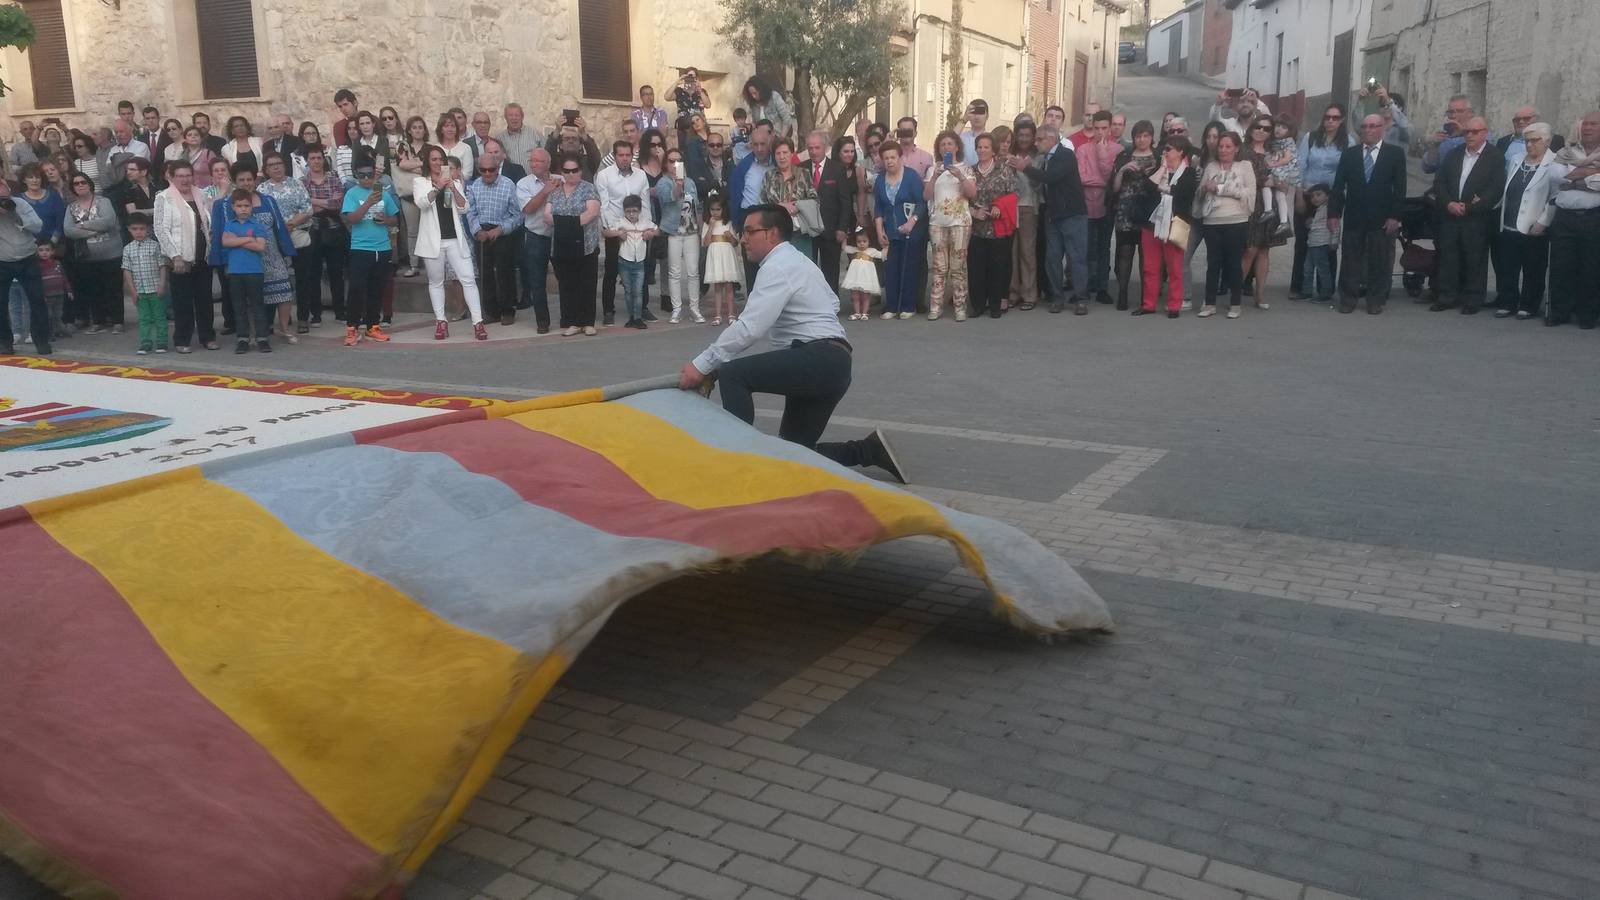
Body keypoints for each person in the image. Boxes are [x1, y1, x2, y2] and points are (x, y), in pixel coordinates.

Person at [678, 203, 904, 481]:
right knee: (793, 454)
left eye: (750, 231)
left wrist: (702, 365)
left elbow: (749, 328)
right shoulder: (798, 261)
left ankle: (738, 460)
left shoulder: (778, 267)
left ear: (772, 234)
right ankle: (867, 451)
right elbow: (831, 303)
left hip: (819, 358)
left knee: (732, 374)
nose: (744, 239)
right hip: (835, 361)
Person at [1327, 114, 1408, 315]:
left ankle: (1376, 299)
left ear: (1382, 128)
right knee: (1350, 259)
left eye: (1373, 126)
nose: (1368, 130)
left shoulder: (1394, 154)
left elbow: (1400, 188)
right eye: (1364, 126)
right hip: (1355, 215)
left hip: (1382, 217)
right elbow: (1338, 186)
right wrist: (1334, 213)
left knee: (1379, 259)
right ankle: (1348, 298)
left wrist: (1395, 216)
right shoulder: (1350, 154)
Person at [1429, 117, 1505, 315]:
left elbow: (1495, 189)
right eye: (1467, 132)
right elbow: (1440, 182)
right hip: (1451, 213)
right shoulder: (1454, 154)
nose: (1469, 135)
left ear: (1485, 133)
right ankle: (1447, 296)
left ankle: (1473, 298)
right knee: (1448, 257)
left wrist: (1470, 207)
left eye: (1474, 132)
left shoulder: (1495, 156)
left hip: (1476, 218)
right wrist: (1448, 203)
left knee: (1475, 258)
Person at [413, 145, 486, 341]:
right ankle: (440, 321)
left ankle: (478, 322)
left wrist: (453, 187)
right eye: (434, 159)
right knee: (436, 281)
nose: (438, 163)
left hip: (454, 239)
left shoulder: (454, 182)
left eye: (441, 160)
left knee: (468, 278)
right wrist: (437, 187)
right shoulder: (420, 182)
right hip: (432, 241)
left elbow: (464, 208)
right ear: (428, 162)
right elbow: (421, 203)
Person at [1016, 122, 1088, 315]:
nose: (1035, 142)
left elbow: (1050, 177)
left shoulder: (1065, 155)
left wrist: (1025, 168)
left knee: (1076, 257)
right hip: (1053, 215)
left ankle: (1080, 298)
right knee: (1052, 258)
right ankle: (1057, 297)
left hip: (1072, 214)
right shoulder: (1044, 157)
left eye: (1039, 139)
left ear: (1051, 139)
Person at [1492, 122, 1558, 320]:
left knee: (1533, 268)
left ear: (1547, 141)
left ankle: (1529, 305)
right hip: (1509, 222)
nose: (1529, 145)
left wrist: (1543, 222)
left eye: (1534, 140)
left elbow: (1554, 197)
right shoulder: (1515, 159)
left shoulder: (1554, 163)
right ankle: (1507, 301)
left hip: (1534, 225)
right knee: (1507, 267)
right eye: (1527, 140)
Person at [1545, 111, 1600, 329]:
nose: (1587, 128)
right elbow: (1555, 176)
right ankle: (1559, 312)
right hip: (1564, 218)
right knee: (1560, 266)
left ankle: (1588, 314)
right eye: (1585, 124)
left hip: (1593, 218)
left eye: (1593, 124)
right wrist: (1589, 173)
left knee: (1591, 268)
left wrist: (1574, 177)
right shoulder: (1566, 151)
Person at [154, 159, 215, 352]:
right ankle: (182, 339)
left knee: (205, 300)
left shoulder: (201, 194)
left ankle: (208, 337)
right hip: (180, 259)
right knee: (183, 302)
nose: (185, 179)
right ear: (171, 177)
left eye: (188, 175)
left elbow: (208, 222)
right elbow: (161, 230)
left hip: (202, 256)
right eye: (180, 176)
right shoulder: (164, 198)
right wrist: (175, 256)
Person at [1291, 103, 1351, 300]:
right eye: (1327, 117)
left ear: (1342, 120)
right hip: (1308, 195)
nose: (1330, 121)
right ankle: (1300, 287)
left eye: (1335, 118)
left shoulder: (1347, 142)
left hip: (1331, 199)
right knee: (1303, 242)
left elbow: (1348, 172)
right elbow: (1299, 167)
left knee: (1327, 244)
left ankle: (1326, 289)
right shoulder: (1311, 139)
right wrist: (1299, 195)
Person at [340, 154, 399, 344]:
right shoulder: (352, 194)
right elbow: (351, 219)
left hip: (382, 248)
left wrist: (386, 219)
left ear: (375, 174)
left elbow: (395, 219)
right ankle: (352, 328)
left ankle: (373, 326)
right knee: (356, 289)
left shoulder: (385, 193)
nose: (366, 179)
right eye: (362, 175)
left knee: (377, 289)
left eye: (370, 174)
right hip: (360, 248)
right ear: (356, 175)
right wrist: (368, 203)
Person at [1195, 132, 1256, 319]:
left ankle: (1235, 303)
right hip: (1212, 221)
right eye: (1221, 146)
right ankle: (1210, 302)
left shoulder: (1245, 167)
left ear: (1236, 148)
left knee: (1233, 263)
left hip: (1236, 220)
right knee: (1213, 263)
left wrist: (1223, 189)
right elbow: (1199, 194)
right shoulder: (1211, 166)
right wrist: (1206, 187)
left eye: (1228, 146)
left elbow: (1250, 192)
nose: (1223, 150)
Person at [1138, 137, 1197, 318]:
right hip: (1152, 224)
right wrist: (1163, 168)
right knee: (1150, 266)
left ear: (1180, 151)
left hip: (1175, 224)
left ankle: (1174, 305)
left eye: (1169, 149)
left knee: (1174, 267)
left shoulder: (1188, 173)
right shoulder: (1158, 169)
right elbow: (1147, 187)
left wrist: (1164, 189)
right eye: (1164, 149)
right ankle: (1149, 304)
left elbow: (1183, 195)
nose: (1165, 152)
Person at [545, 152, 602, 336]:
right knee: (567, 284)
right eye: (567, 171)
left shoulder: (588, 188)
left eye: (574, 170)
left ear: (580, 170)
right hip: (562, 244)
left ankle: (587, 321)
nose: (571, 174)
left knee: (586, 282)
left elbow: (592, 212)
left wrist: (565, 223)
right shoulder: (555, 190)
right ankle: (571, 321)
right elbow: (547, 215)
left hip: (586, 243)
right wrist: (571, 223)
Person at [465, 150, 525, 326]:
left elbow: (518, 214)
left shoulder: (508, 185)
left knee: (504, 272)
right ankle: (491, 311)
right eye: (483, 170)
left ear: (497, 169)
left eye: (491, 170)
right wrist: (477, 230)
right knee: (485, 273)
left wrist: (501, 229)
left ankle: (508, 310)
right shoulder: (475, 185)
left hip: (502, 231)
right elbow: (471, 211)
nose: (487, 173)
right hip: (482, 231)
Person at [596, 138, 650, 327]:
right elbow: (604, 204)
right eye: (621, 155)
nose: (625, 159)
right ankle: (608, 310)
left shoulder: (641, 175)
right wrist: (612, 229)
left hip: (637, 228)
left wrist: (648, 227)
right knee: (611, 271)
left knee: (640, 267)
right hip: (615, 228)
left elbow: (645, 203)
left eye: (628, 155)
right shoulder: (604, 176)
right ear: (615, 156)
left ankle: (641, 309)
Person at [257, 153, 311, 340]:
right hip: (272, 240)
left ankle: (303, 318)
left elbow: (306, 209)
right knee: (273, 280)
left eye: (279, 163)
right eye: (271, 165)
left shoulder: (296, 184)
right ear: (266, 169)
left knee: (303, 279)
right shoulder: (262, 189)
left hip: (296, 234)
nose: (276, 167)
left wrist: (289, 225)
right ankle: (271, 321)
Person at [923, 130, 975, 320]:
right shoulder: (932, 169)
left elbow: (972, 193)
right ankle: (935, 306)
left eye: (950, 144)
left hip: (960, 223)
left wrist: (960, 176)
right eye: (943, 144)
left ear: (957, 147)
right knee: (939, 266)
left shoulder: (966, 168)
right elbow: (926, 196)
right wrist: (935, 176)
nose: (946, 147)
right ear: (938, 148)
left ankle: (960, 307)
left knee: (958, 266)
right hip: (937, 222)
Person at [63, 172, 124, 332]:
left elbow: (108, 221)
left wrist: (83, 225)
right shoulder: (71, 207)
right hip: (87, 257)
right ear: (73, 188)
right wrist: (94, 231)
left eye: (83, 182)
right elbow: (68, 230)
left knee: (113, 289)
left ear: (89, 184)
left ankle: (118, 321)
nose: (80, 185)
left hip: (111, 253)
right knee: (93, 289)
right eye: (76, 183)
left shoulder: (104, 201)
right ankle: (98, 320)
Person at [874, 143, 927, 320]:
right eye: (886, 158)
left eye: (893, 157)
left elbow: (921, 202)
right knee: (891, 269)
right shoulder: (880, 179)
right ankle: (891, 306)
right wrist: (879, 230)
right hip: (891, 232)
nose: (889, 161)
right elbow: (879, 207)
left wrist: (912, 222)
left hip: (912, 231)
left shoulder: (911, 177)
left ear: (900, 158)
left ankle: (908, 305)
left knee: (909, 268)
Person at [1110, 121, 1159, 311]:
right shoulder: (1124, 156)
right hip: (1126, 209)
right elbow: (1114, 188)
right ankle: (1122, 294)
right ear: (1133, 138)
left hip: (1148, 209)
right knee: (1125, 252)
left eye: (1146, 136)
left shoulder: (1158, 157)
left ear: (1152, 137)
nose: (1142, 140)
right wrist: (1122, 170)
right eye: (1138, 136)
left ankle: (1145, 297)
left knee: (1146, 255)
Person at [968, 133, 1018, 320]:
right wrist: (974, 212)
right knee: (976, 269)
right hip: (976, 228)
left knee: (998, 267)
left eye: (986, 147)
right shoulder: (970, 171)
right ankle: (978, 305)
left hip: (998, 227)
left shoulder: (1003, 170)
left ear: (993, 150)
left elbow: (1013, 194)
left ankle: (995, 304)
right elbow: (962, 198)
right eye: (979, 147)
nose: (982, 150)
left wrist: (999, 206)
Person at [1240, 114, 1287, 309]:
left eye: (1267, 129)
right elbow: (1240, 176)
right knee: (1249, 250)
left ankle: (1260, 295)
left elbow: (1287, 170)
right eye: (1258, 127)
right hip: (1251, 203)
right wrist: (1263, 181)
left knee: (1264, 251)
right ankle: (1236, 292)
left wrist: (1282, 182)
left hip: (1269, 204)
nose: (1261, 131)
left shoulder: (1274, 151)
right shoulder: (1242, 151)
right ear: (1251, 128)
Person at [0, 179, 52, 355]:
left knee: (37, 299)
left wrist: (16, 213)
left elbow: (38, 226)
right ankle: (4, 342)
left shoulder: (20, 203)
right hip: (2, 261)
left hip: (27, 258)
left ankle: (41, 340)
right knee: (1, 303)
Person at [219, 188, 271, 353]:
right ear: (233, 207)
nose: (243, 209)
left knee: (258, 306)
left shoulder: (257, 225)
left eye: (246, 205)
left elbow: (260, 246)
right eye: (239, 205)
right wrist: (249, 239)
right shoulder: (230, 224)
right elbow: (225, 242)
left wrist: (238, 240)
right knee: (239, 307)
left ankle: (262, 338)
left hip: (255, 271)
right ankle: (243, 339)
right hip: (235, 272)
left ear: (251, 207)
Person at [300, 144, 346, 326]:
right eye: (312, 158)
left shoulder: (333, 178)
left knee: (337, 272)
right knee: (313, 273)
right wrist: (323, 204)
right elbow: (304, 207)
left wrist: (313, 201)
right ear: (307, 161)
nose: (316, 161)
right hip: (312, 229)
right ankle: (315, 313)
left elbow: (337, 204)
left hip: (334, 229)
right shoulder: (302, 182)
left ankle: (340, 311)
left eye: (319, 158)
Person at [657, 147, 703, 323]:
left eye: (678, 161)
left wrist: (699, 230)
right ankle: (676, 309)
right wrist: (678, 184)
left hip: (691, 231)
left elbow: (697, 207)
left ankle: (694, 308)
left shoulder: (690, 182)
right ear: (666, 164)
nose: (675, 164)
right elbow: (669, 198)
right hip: (674, 232)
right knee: (674, 272)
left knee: (693, 272)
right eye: (671, 161)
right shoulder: (663, 182)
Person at [1078, 111, 1120, 306]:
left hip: (1106, 207)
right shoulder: (1083, 150)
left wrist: (1103, 154)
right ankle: (1084, 287)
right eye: (1097, 128)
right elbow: (1081, 178)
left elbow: (1111, 178)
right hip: (1086, 206)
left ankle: (1102, 288)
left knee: (1104, 248)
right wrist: (1102, 182)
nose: (1100, 132)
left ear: (1110, 128)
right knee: (1085, 249)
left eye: (1104, 128)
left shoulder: (1117, 150)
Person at [516, 147, 557, 333]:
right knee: (537, 282)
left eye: (538, 161)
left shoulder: (560, 180)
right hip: (535, 236)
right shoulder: (523, 184)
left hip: (558, 236)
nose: (533, 164)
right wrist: (545, 191)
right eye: (531, 160)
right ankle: (543, 322)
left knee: (565, 279)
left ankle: (570, 318)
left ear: (548, 163)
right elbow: (528, 209)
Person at [760, 137, 819, 260]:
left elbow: (815, 201)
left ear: (792, 154)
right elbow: (762, 205)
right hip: (775, 235)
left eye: (785, 152)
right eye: (778, 153)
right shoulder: (768, 176)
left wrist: (797, 205)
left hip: (800, 234)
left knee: (801, 272)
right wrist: (781, 206)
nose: (782, 157)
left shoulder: (804, 173)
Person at [606, 194, 657, 329]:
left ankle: (638, 317)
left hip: (639, 262)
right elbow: (606, 232)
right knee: (628, 291)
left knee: (638, 291)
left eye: (634, 211)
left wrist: (650, 234)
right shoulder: (621, 222)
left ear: (640, 211)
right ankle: (631, 317)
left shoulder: (645, 222)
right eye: (628, 211)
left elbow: (658, 230)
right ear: (624, 211)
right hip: (624, 262)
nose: (631, 214)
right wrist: (618, 234)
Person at [120, 211, 167, 354]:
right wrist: (132, 291)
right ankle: (145, 343)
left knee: (159, 317)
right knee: (144, 318)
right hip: (140, 290)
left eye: (142, 229)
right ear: (129, 229)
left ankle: (162, 342)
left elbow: (162, 266)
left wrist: (162, 285)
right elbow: (127, 271)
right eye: (135, 229)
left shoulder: (155, 246)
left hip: (155, 288)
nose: (138, 232)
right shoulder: (128, 249)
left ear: (148, 229)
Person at [1007, 117, 1041, 311]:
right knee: (1011, 251)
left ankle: (1029, 294)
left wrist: (1026, 168)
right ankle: (1013, 292)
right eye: (1020, 135)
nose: (1024, 138)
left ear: (1033, 137)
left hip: (1029, 206)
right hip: (1010, 208)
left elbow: (1039, 185)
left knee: (1027, 251)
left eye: (1028, 135)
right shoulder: (1009, 155)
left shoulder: (1038, 157)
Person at [392, 116, 430, 277]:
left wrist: (411, 166)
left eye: (420, 127)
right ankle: (414, 265)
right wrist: (421, 164)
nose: (417, 130)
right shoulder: (403, 146)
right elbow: (401, 164)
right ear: (409, 130)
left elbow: (430, 169)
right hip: (408, 194)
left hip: (426, 194)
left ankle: (429, 264)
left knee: (429, 229)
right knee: (412, 231)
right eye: (414, 127)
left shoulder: (430, 148)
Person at [702, 195, 739, 325]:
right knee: (717, 287)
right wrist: (711, 227)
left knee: (729, 286)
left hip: (726, 253)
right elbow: (705, 243)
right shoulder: (707, 224)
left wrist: (730, 236)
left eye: (718, 209)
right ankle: (717, 315)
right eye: (712, 209)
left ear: (723, 209)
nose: (715, 212)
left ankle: (731, 314)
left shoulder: (728, 223)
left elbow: (735, 243)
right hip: (715, 254)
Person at [1422, 94, 1479, 175]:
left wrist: (1464, 132)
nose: (1454, 116)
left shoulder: (1481, 133)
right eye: (1451, 112)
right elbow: (1427, 167)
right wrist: (1434, 146)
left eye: (1459, 111)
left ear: (1470, 113)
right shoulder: (1446, 135)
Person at [18, 163, 65, 247]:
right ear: (24, 180)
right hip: (30, 246)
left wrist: (52, 242)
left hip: (55, 244)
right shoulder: (19, 200)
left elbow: (60, 220)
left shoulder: (54, 195)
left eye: (37, 177)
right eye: (30, 177)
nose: (34, 180)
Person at [434, 112, 473, 177]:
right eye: (446, 126)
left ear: (456, 129)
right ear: (441, 130)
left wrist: (452, 180)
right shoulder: (435, 148)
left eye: (453, 126)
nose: (450, 129)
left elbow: (467, 174)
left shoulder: (466, 148)